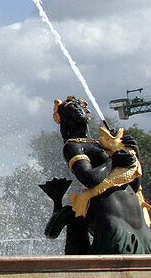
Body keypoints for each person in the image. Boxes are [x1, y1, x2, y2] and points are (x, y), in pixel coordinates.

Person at [56, 95, 151, 254]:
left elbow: (134, 186)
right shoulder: (72, 146)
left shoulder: (104, 143)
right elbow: (89, 178)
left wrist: (135, 156)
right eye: (71, 109)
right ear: (64, 120)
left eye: (80, 106)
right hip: (110, 218)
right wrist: (112, 161)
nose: (78, 109)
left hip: (137, 221)